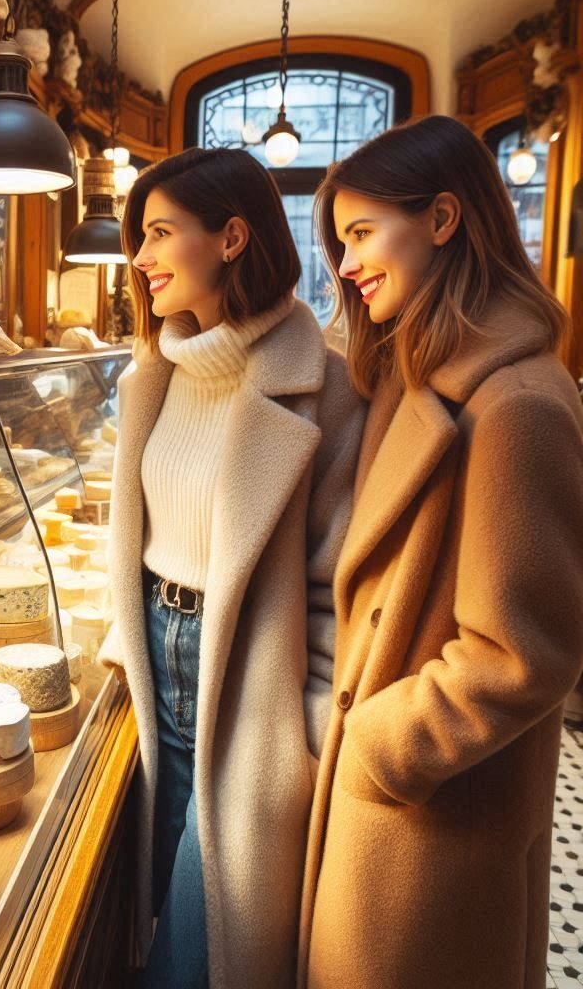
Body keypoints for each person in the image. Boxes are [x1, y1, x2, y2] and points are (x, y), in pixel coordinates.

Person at [300, 115, 583, 989]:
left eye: (360, 234)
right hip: (409, 811)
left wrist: (378, 745)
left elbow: (522, 656)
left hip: (433, 822)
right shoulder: (417, 372)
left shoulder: (515, 405)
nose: (345, 266)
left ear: (443, 219)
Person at [97, 147, 364, 989]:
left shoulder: (330, 385)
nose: (138, 259)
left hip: (249, 678)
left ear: (232, 238)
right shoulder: (154, 377)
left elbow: (334, 584)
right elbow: (140, 538)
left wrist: (309, 724)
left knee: (200, 950)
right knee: (148, 921)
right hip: (156, 657)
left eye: (159, 233)